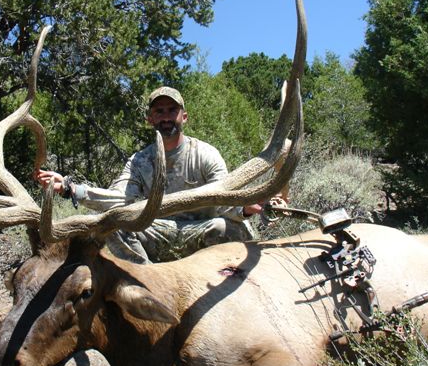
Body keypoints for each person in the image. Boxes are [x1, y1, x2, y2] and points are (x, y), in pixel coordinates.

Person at [36, 86, 264, 263]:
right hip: (160, 234)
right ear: (150, 119)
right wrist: (72, 189)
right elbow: (119, 199)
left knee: (226, 228)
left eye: (172, 110)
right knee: (115, 225)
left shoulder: (205, 154)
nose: (166, 117)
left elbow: (224, 201)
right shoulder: (139, 161)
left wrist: (245, 207)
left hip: (202, 230)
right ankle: (148, 286)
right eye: (159, 111)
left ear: (184, 116)